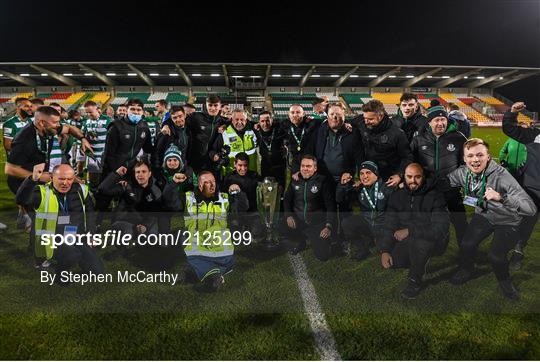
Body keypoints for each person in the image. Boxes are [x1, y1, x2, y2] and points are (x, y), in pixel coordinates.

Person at [447, 138, 537, 300]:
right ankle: (467, 270)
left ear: (488, 157)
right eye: (471, 156)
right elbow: (445, 183)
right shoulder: (462, 172)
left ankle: (505, 283)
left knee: (496, 256)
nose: (475, 160)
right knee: (467, 244)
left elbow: (530, 209)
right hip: (484, 214)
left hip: (508, 220)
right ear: (464, 158)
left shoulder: (502, 176)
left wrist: (501, 197)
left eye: (480, 155)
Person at [16, 163, 103, 279]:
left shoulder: (81, 191)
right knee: (70, 257)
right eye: (61, 179)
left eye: (69, 179)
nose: (65, 183)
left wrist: (91, 233)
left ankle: (75, 258)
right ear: (51, 178)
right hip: (51, 241)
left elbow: (90, 214)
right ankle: (51, 264)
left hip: (75, 237)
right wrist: (33, 179)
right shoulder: (42, 192)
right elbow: (21, 199)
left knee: (97, 272)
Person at [165, 170, 249, 292]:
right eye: (207, 182)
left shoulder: (224, 198)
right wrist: (173, 183)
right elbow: (168, 201)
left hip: (222, 251)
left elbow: (243, 207)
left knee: (196, 259)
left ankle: (194, 272)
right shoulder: (188, 198)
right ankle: (213, 275)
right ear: (199, 185)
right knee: (192, 251)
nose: (212, 185)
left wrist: (239, 193)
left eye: (213, 181)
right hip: (198, 250)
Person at [378, 163, 450, 299]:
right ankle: (416, 259)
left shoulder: (435, 196)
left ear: (423, 177)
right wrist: (385, 250)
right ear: (403, 177)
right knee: (395, 262)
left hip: (434, 241)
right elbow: (389, 224)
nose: (413, 181)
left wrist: (410, 231)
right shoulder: (397, 195)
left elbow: (441, 228)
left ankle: (414, 281)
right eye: (409, 177)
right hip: (410, 239)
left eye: (417, 177)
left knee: (420, 244)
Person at [410, 105, 468, 245]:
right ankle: (431, 250)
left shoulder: (459, 138)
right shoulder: (419, 139)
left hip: (452, 190)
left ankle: (466, 257)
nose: (440, 123)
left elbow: (466, 164)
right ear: (429, 122)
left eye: (443, 119)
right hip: (428, 191)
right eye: (436, 120)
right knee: (426, 222)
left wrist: (457, 181)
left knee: (461, 224)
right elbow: (410, 161)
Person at [501, 102, 540, 270]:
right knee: (526, 221)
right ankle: (518, 248)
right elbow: (509, 129)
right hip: (533, 188)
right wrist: (512, 113)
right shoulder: (535, 135)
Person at [338, 161, 395, 260]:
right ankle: (363, 248)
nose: (364, 176)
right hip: (368, 224)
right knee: (347, 223)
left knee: (385, 249)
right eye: (361, 174)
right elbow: (340, 199)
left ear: (376, 174)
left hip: (383, 226)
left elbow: (394, 215)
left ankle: (378, 241)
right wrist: (343, 186)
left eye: (368, 173)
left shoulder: (387, 188)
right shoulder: (359, 189)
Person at [282, 155, 336, 260]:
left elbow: (331, 206)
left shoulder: (322, 182)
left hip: (317, 223)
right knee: (282, 225)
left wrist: (328, 226)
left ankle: (328, 240)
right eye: (303, 166)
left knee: (322, 256)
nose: (305, 169)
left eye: (308, 166)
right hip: (299, 221)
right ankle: (300, 240)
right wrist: (288, 216)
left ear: (315, 168)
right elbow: (287, 199)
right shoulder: (295, 180)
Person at [99, 159, 170, 236]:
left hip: (145, 224)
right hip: (126, 222)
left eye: (144, 171)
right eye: (138, 172)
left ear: (149, 174)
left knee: (155, 229)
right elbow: (103, 189)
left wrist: (145, 226)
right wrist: (116, 174)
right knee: (126, 232)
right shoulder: (126, 186)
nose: (140, 175)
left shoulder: (155, 190)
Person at [351, 99, 413, 187]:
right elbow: (347, 122)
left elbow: (407, 157)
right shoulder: (363, 121)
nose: (366, 121)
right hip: (368, 176)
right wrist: (347, 124)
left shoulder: (397, 133)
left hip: (388, 178)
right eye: (365, 118)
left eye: (370, 119)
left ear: (380, 116)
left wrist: (399, 175)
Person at [314, 103, 363, 185]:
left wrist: (360, 177)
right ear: (327, 116)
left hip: (345, 179)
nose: (334, 117)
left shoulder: (353, 132)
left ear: (344, 115)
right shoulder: (320, 129)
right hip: (322, 178)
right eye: (332, 114)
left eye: (338, 114)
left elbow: (359, 157)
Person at [186, 95, 227, 173]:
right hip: (195, 163)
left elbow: (241, 122)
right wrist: (166, 125)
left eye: (215, 105)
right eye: (210, 105)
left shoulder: (223, 121)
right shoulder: (196, 117)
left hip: (213, 162)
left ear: (220, 106)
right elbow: (179, 120)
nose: (213, 108)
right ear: (206, 105)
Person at [210, 109, 258, 177]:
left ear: (246, 120)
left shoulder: (254, 131)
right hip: (231, 175)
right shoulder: (224, 132)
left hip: (251, 174)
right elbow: (213, 150)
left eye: (242, 119)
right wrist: (216, 157)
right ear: (232, 120)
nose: (239, 122)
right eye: (237, 119)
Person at [81, 100, 112, 188]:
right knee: (93, 179)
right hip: (92, 155)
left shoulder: (107, 120)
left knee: (105, 178)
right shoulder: (86, 122)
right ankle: (93, 195)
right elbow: (82, 136)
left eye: (90, 112)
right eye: (87, 112)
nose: (89, 114)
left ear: (98, 110)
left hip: (104, 154)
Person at [283, 104, 320, 174]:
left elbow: (328, 122)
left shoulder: (312, 124)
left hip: (310, 163)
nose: (295, 115)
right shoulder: (285, 125)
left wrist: (346, 124)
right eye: (292, 112)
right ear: (289, 114)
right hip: (295, 164)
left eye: (298, 112)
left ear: (303, 114)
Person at [153, 105, 190, 175]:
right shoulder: (166, 132)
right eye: (175, 118)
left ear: (185, 115)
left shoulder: (189, 128)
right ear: (171, 119)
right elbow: (156, 152)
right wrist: (157, 172)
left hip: (184, 169)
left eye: (180, 116)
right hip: (168, 171)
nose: (178, 119)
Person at [255, 111, 287, 188]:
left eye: (267, 120)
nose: (265, 124)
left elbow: (287, 122)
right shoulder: (256, 131)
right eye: (262, 121)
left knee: (280, 189)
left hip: (279, 166)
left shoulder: (279, 129)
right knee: (267, 189)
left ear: (272, 120)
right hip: (265, 166)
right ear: (259, 122)